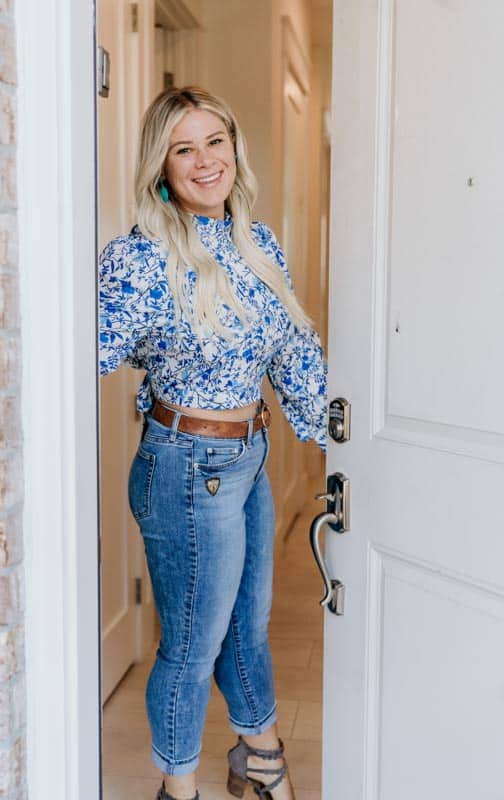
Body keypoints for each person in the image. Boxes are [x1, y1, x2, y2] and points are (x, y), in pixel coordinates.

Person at [99, 86, 327, 800]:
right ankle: (180, 788)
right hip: (184, 465)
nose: (205, 162)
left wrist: (341, 443)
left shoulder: (256, 244)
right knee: (192, 651)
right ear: (160, 167)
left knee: (247, 633)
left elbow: (294, 353)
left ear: (235, 148)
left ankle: (260, 759)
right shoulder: (138, 258)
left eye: (215, 142)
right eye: (183, 148)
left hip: (249, 454)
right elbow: (77, 355)